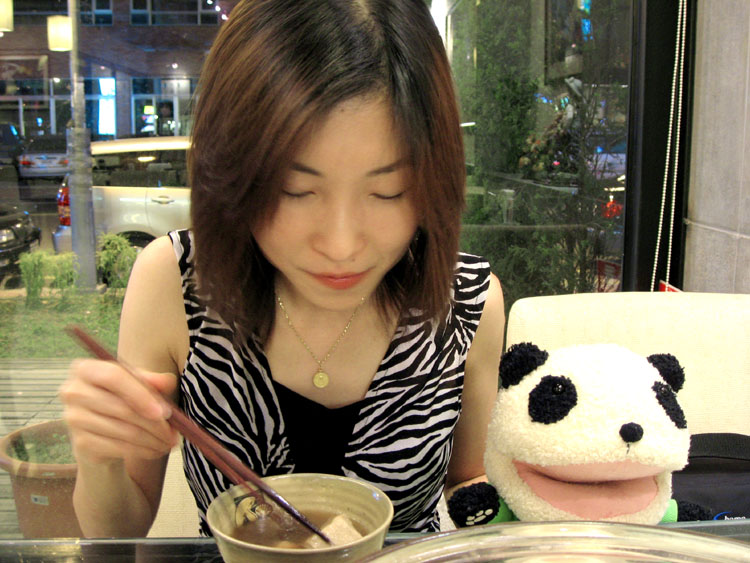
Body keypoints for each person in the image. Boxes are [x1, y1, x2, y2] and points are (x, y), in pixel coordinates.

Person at [60, 0, 505, 537]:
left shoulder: (468, 301)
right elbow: (117, 533)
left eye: (390, 190)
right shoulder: (175, 283)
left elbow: (468, 480)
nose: (340, 245)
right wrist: (101, 457)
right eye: (295, 189)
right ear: (234, 172)